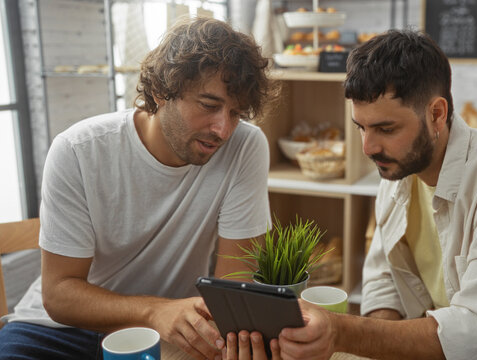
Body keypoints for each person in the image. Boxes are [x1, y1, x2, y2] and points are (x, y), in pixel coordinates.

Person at [229, 28, 477, 360]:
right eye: (361, 127)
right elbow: (383, 281)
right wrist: (376, 347)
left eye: (386, 128)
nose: (368, 147)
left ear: (437, 114)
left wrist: (343, 332)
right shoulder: (399, 172)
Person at [0, 17, 274, 360]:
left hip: (171, 330)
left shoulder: (244, 147)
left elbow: (234, 286)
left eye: (236, 113)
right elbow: (58, 295)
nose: (223, 130)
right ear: (161, 91)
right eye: (208, 105)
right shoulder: (78, 150)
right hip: (57, 331)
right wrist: (152, 310)